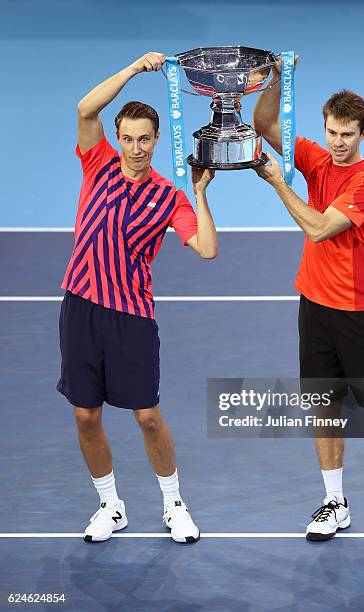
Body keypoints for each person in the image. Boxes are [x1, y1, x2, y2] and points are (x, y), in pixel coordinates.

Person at [252, 60, 364, 551]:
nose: (337, 142)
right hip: (315, 306)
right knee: (323, 407)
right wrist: (277, 78)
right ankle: (335, 502)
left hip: (360, 311)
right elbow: (265, 124)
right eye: (331, 132)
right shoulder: (317, 158)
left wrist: (279, 184)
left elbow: (320, 228)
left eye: (347, 134)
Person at [57, 51, 218, 544]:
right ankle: (111, 505)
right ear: (118, 139)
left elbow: (207, 249)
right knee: (86, 415)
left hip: (132, 316)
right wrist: (130, 70)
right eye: (126, 138)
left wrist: (201, 192)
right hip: (81, 307)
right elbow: (87, 109)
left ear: (155, 140)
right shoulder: (97, 164)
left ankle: (174, 504)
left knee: (148, 418)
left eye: (143, 139)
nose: (134, 148)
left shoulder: (170, 197)